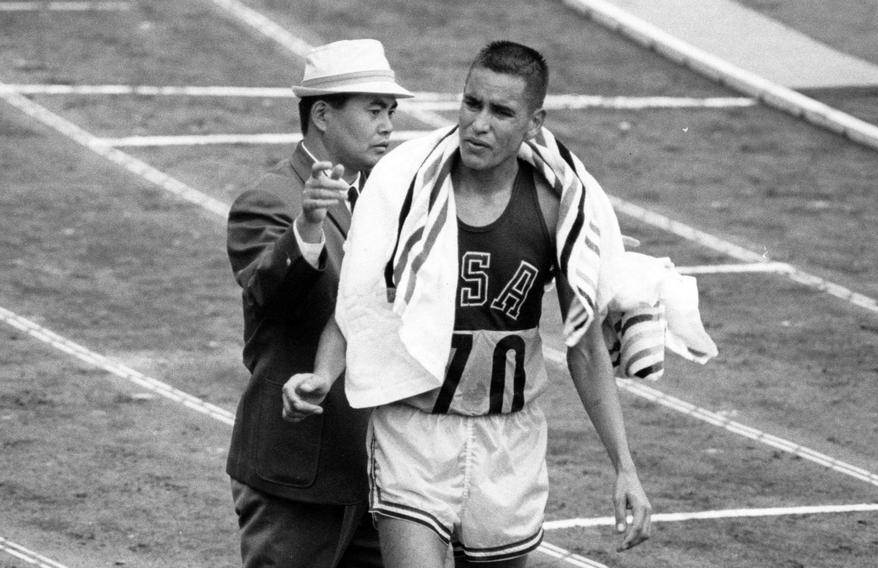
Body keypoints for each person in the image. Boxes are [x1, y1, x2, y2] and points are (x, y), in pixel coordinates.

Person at [284, 40, 713, 567]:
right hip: (415, 431)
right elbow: (358, 307)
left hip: (509, 439)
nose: (478, 124)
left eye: (501, 111)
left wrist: (625, 466)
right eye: (471, 103)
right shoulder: (406, 189)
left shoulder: (557, 206)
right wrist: (324, 377)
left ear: (534, 123)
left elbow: (585, 349)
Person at [225, 39, 412, 568]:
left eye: (391, 111)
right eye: (374, 109)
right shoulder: (268, 200)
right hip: (297, 476)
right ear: (324, 115)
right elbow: (271, 296)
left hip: (382, 470)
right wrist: (306, 226)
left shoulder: (392, 195)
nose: (387, 124)